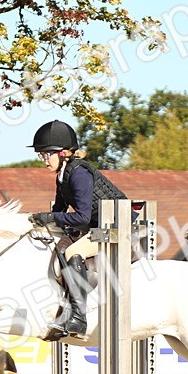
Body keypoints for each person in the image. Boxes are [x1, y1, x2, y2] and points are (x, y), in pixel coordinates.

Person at [25, 120, 128, 339]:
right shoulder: (63, 175)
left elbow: (81, 217)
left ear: (62, 153)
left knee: (73, 252)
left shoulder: (79, 174)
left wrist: (51, 217)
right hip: (98, 225)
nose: (43, 160)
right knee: (57, 245)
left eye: (46, 154)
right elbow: (60, 210)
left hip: (117, 226)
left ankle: (79, 316)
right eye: (41, 156)